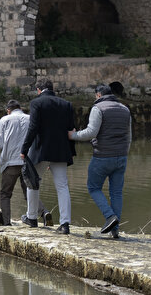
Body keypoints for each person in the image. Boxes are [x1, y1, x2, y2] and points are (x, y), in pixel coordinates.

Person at [70, 83, 132, 239]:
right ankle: (115, 231)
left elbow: (91, 132)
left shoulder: (98, 108)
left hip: (102, 156)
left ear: (98, 95)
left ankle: (110, 216)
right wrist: (124, 152)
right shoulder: (125, 109)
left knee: (93, 187)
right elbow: (129, 136)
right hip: (121, 156)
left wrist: (73, 135)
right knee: (116, 192)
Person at [20, 79, 76, 234]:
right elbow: (71, 129)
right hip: (61, 150)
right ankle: (65, 223)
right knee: (62, 186)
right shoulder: (66, 104)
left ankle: (32, 217)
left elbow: (33, 127)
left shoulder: (36, 103)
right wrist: (71, 151)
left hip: (41, 150)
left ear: (39, 90)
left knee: (33, 182)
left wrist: (24, 148)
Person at [0, 99, 30, 226]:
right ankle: (44, 213)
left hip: (10, 162)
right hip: (27, 161)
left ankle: (6, 222)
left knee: (5, 193)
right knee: (30, 192)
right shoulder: (30, 118)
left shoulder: (5, 120)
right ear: (20, 108)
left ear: (8, 110)